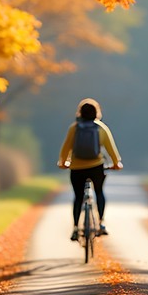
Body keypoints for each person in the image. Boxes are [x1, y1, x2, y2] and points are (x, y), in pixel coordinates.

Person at [58, 98, 123, 241]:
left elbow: (66, 148)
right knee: (99, 192)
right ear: (96, 113)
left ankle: (75, 228)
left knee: (78, 197)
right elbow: (111, 148)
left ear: (80, 113)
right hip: (96, 166)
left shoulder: (74, 128)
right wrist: (116, 163)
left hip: (76, 168)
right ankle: (100, 223)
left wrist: (63, 162)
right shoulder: (101, 128)